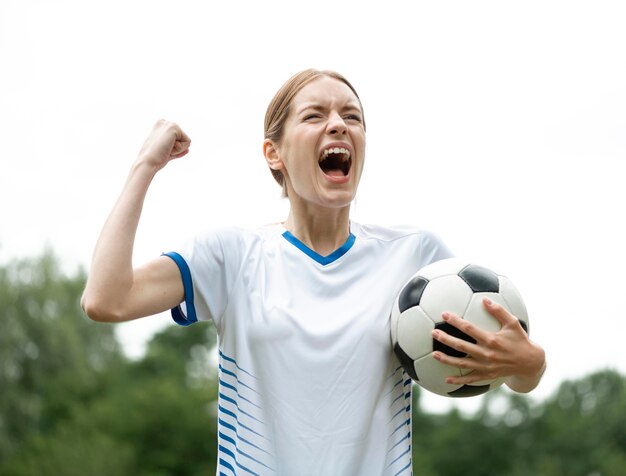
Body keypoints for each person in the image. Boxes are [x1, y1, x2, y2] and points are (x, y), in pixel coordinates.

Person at [81, 69, 546, 475]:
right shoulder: (232, 256)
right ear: (273, 153)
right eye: (314, 115)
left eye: (352, 116)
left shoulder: (417, 259)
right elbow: (106, 299)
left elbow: (509, 373)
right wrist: (145, 166)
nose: (339, 125)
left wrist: (531, 364)